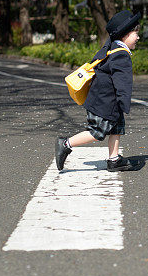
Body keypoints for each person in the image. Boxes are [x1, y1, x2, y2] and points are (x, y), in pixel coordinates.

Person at [55, 9, 141, 172]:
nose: (137, 37)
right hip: (105, 102)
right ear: (125, 35)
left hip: (103, 99)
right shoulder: (121, 55)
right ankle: (65, 144)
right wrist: (124, 102)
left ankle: (114, 159)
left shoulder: (111, 46)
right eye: (135, 33)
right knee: (97, 132)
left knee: (117, 127)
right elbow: (123, 82)